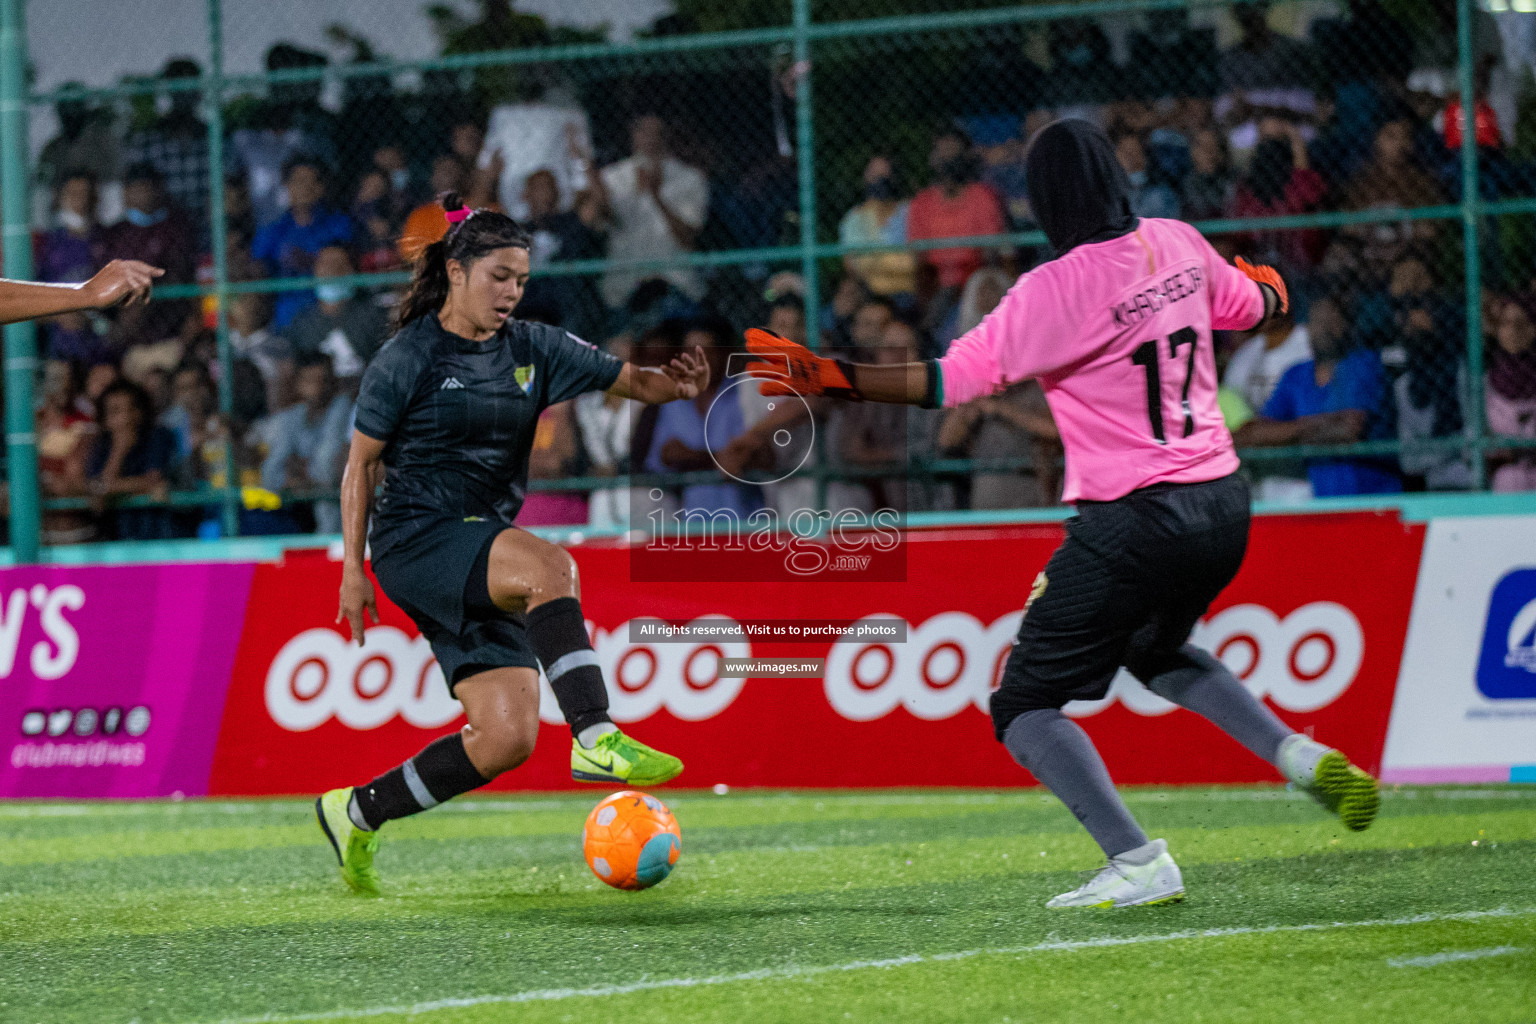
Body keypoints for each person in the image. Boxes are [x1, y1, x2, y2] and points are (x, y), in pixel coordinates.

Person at [741, 119, 1379, 909]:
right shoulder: (1176, 242)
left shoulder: (1052, 289)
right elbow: (1259, 304)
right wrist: (1273, 281)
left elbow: (948, 383)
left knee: (1022, 705)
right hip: (1222, 502)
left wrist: (829, 375)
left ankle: (1138, 860)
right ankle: (1294, 754)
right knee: (1156, 647)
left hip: (1135, 517)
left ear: (1043, 200)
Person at [319, 194, 707, 895]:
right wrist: (352, 569)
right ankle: (594, 736)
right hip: (415, 539)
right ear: (458, 270)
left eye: (521, 280)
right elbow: (360, 466)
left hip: (478, 545)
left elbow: (632, 381)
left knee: (506, 739)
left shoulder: (536, 347)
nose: (511, 292)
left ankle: (354, 812)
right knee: (550, 566)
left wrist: (674, 387)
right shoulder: (407, 358)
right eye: (499, 276)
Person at [1235, 296, 1401, 497]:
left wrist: (1288, 433)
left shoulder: (1362, 365)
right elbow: (1252, 434)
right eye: (1318, 322)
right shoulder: (1296, 375)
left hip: (1376, 502)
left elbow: (1348, 429)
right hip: (1325, 505)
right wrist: (1316, 427)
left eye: (1333, 321)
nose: (1324, 329)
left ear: (1348, 327)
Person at [596, 114, 708, 309]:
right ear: (633, 135)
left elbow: (688, 238)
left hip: (676, 280)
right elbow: (599, 221)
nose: (650, 138)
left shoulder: (691, 178)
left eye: (656, 133)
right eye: (643, 132)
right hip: (625, 283)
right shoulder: (611, 177)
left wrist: (657, 198)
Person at [250, 158, 356, 328]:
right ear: (287, 187)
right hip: (285, 318)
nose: (304, 187)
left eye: (310, 181)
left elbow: (343, 261)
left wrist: (310, 260)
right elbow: (257, 268)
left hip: (329, 313)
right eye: (298, 181)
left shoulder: (338, 224)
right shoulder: (272, 231)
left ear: (321, 188)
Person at [906, 128, 1005, 296]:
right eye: (942, 152)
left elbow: (990, 252)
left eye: (953, 151)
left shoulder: (982, 197)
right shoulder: (922, 202)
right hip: (936, 281)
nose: (948, 159)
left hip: (974, 279)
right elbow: (919, 255)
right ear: (933, 159)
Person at [261, 353, 353, 533]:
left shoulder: (342, 408)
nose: (317, 387)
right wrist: (291, 480)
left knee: (326, 499)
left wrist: (303, 471)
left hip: (336, 514)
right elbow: (270, 473)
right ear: (298, 384)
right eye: (309, 381)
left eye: (323, 380)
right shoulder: (292, 416)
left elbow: (327, 466)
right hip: (298, 511)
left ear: (333, 382)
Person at [280, 246, 388, 387]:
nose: (329, 269)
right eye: (323, 263)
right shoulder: (302, 323)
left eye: (336, 263)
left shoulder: (372, 316)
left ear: (350, 270)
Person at [85, 379, 179, 541]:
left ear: (141, 411)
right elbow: (97, 499)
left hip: (156, 536)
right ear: (105, 420)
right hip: (115, 540)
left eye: (131, 409)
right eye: (115, 412)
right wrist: (119, 451)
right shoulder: (102, 445)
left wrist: (106, 488)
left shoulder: (158, 436)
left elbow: (154, 480)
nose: (126, 418)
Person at [838, 155, 917, 298]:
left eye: (884, 176)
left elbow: (916, 262)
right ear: (865, 177)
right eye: (875, 175)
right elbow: (852, 266)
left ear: (894, 178)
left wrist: (876, 261)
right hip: (869, 293)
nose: (880, 181)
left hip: (909, 290)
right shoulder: (854, 218)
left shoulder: (909, 211)